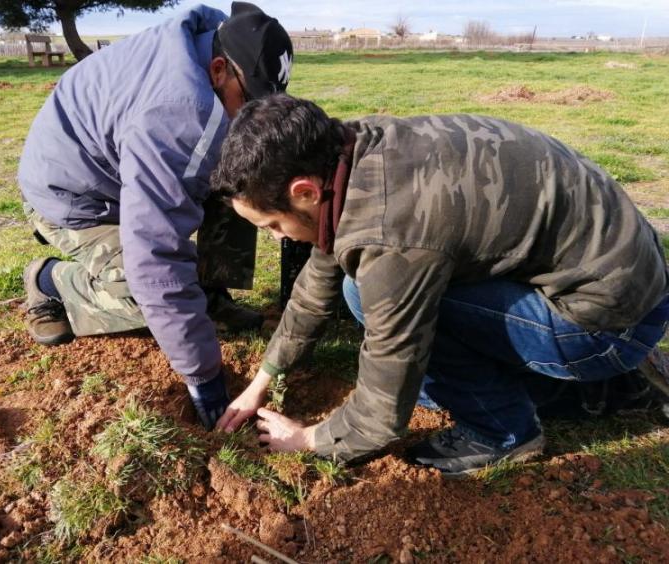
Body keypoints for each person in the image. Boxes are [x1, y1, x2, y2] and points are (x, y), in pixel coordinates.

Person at [212, 94, 669, 476]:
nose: (277, 238)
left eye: (272, 224)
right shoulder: (352, 151)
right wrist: (264, 378)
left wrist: (310, 439)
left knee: (378, 307)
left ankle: (503, 433)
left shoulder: (392, 231)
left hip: (609, 324)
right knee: (369, 298)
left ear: (305, 192)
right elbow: (320, 273)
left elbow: (384, 409)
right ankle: (608, 389)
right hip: (626, 282)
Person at [17, 3, 293, 430]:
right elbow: (157, 259)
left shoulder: (212, 48)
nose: (249, 117)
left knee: (242, 175)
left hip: (123, 172)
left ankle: (211, 296)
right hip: (77, 199)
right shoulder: (178, 115)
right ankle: (50, 280)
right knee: (146, 296)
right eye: (248, 102)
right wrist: (205, 381)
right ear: (219, 70)